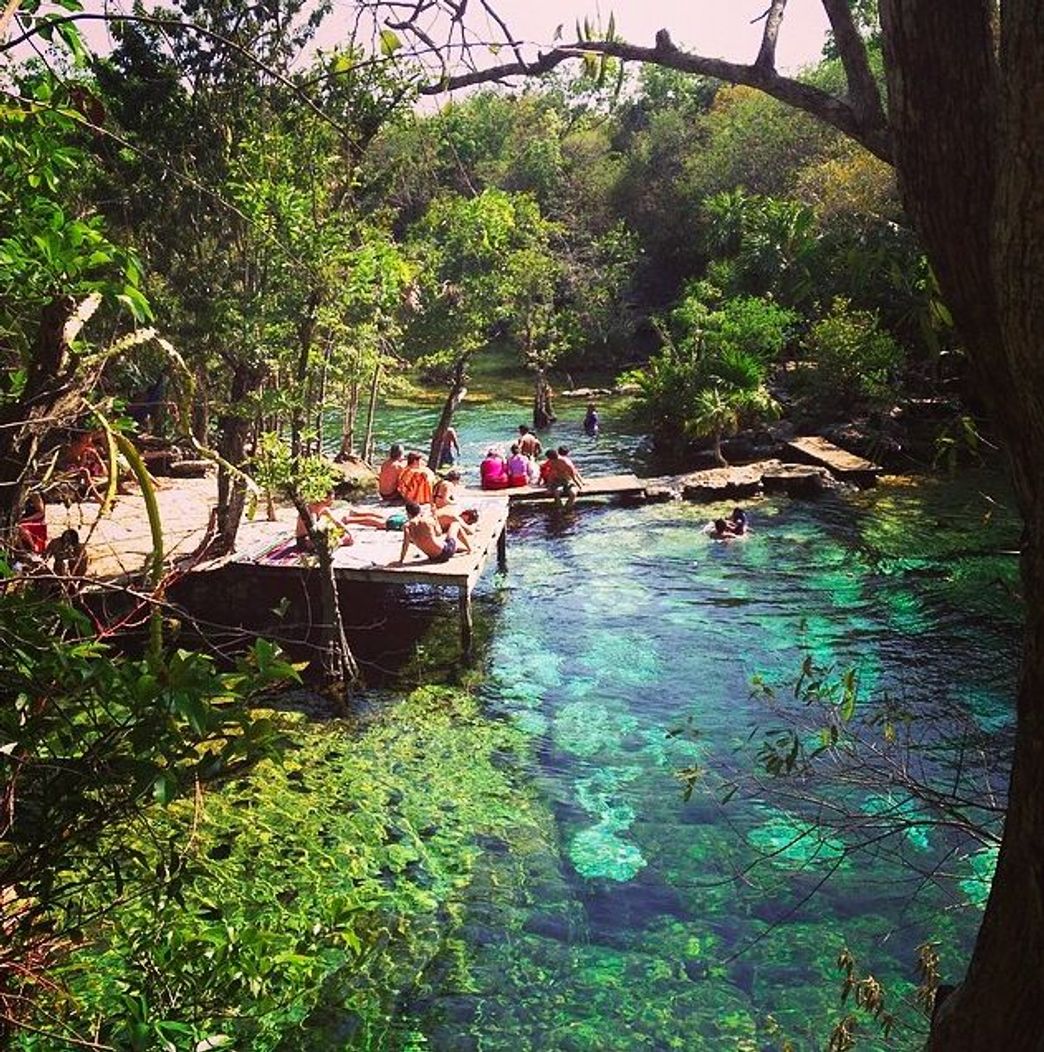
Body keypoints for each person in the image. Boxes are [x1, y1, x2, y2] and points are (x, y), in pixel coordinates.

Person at [394, 501, 472, 564]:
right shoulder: (427, 521)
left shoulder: (407, 526)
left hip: (433, 557)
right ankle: (469, 549)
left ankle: (461, 549)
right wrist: (435, 517)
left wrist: (401, 560)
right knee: (456, 524)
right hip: (446, 551)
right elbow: (439, 533)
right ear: (419, 511)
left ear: (408, 513)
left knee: (440, 543)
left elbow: (405, 544)